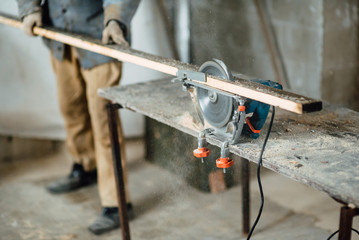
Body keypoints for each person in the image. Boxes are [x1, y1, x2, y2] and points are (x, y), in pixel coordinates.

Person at [16, 0, 140, 235]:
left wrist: (115, 19)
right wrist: (29, 9)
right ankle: (86, 166)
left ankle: (117, 203)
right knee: (71, 109)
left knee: (105, 123)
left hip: (100, 39)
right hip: (59, 36)